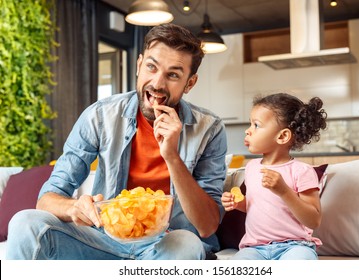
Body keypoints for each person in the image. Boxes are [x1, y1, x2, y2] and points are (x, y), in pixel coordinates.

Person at [6, 23, 227, 260]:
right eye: (151, 67)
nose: (157, 83)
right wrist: (73, 208)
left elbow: (207, 226)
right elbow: (48, 198)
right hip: (104, 239)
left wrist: (172, 156)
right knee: (25, 222)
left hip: (168, 243)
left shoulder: (209, 129)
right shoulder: (100, 115)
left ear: (190, 83)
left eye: (173, 74)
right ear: (139, 65)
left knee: (187, 243)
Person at [221, 93, 327, 260]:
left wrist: (284, 191)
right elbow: (255, 206)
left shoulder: (302, 171)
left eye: (256, 125)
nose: (248, 130)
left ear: (282, 136)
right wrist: (238, 203)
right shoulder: (251, 168)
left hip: (294, 246)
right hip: (255, 248)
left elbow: (313, 220)